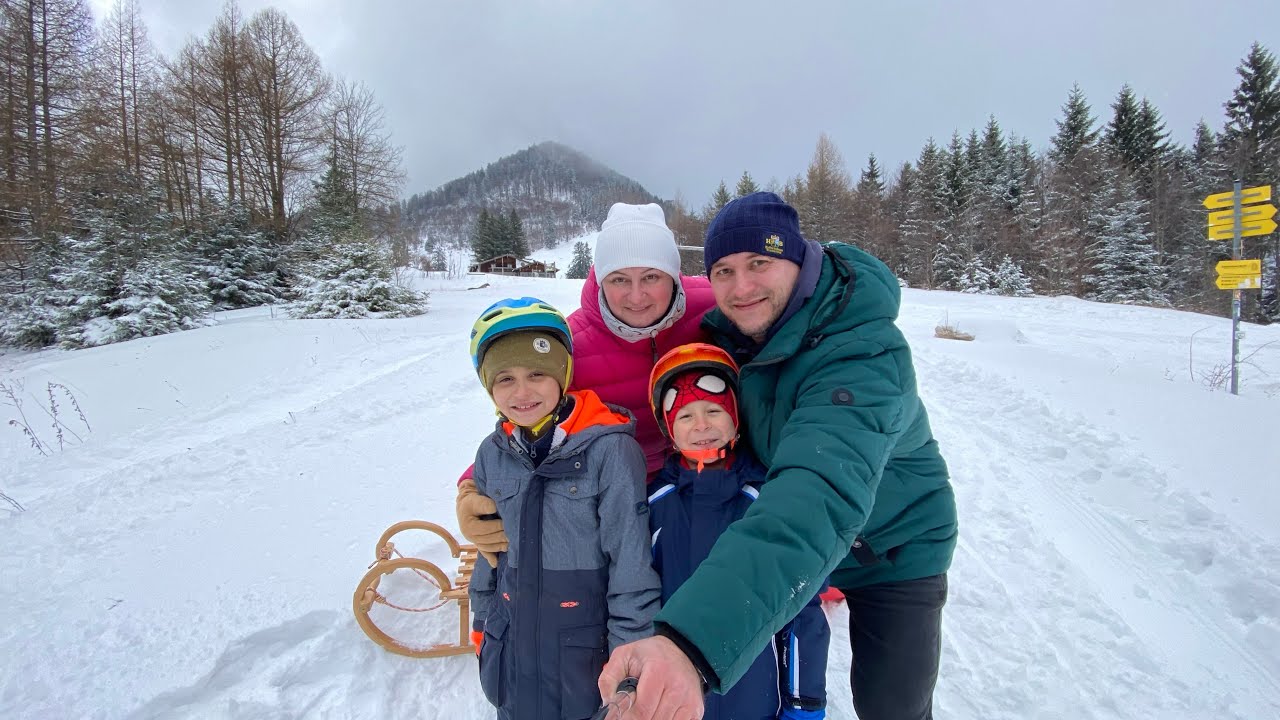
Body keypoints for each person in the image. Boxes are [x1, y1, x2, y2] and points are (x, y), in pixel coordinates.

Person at [598, 192, 959, 720]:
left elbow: (814, 499)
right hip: (801, 544)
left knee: (892, 705)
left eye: (759, 263)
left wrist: (692, 643)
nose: (741, 287)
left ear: (800, 259)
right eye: (723, 271)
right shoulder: (735, 334)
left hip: (892, 550)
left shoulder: (862, 354)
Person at [457, 202, 717, 565]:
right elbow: (525, 417)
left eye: (651, 277)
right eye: (619, 279)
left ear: (673, 276)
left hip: (705, 478)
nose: (636, 296)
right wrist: (471, 486)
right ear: (600, 279)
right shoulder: (574, 346)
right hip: (611, 499)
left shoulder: (714, 306)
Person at [465, 297, 661, 720]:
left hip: (583, 661)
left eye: (537, 374)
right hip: (510, 655)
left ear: (563, 373)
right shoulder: (492, 453)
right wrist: (482, 623)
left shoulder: (610, 452)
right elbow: (489, 556)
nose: (522, 393)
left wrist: (630, 658)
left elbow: (630, 565)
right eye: (505, 379)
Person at [646, 343, 829, 720]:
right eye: (685, 416)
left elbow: (801, 608)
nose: (702, 426)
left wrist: (804, 702)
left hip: (754, 698)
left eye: (714, 411)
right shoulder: (653, 505)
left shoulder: (768, 501)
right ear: (668, 429)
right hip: (672, 700)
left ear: (735, 417)